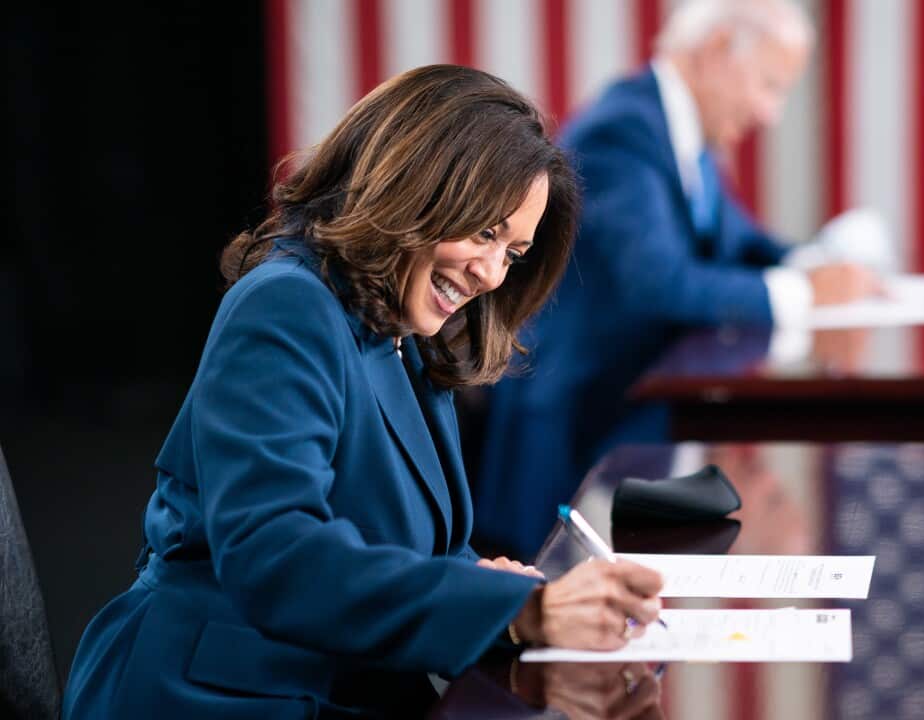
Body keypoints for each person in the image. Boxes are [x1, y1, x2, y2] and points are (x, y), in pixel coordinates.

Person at [61, 65, 663, 720]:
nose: (492, 274)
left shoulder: (399, 328)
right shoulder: (286, 306)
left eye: (513, 254)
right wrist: (521, 609)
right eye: (486, 233)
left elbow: (395, 544)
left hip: (338, 683)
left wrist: (480, 583)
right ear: (417, 189)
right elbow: (277, 556)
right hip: (216, 693)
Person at [475, 0, 878, 559]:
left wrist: (825, 269)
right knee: (545, 595)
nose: (770, 113)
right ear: (717, 51)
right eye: (768, 84)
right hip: (571, 433)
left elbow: (743, 245)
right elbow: (659, 283)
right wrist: (808, 292)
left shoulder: (681, 133)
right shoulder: (624, 130)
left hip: (629, 421)